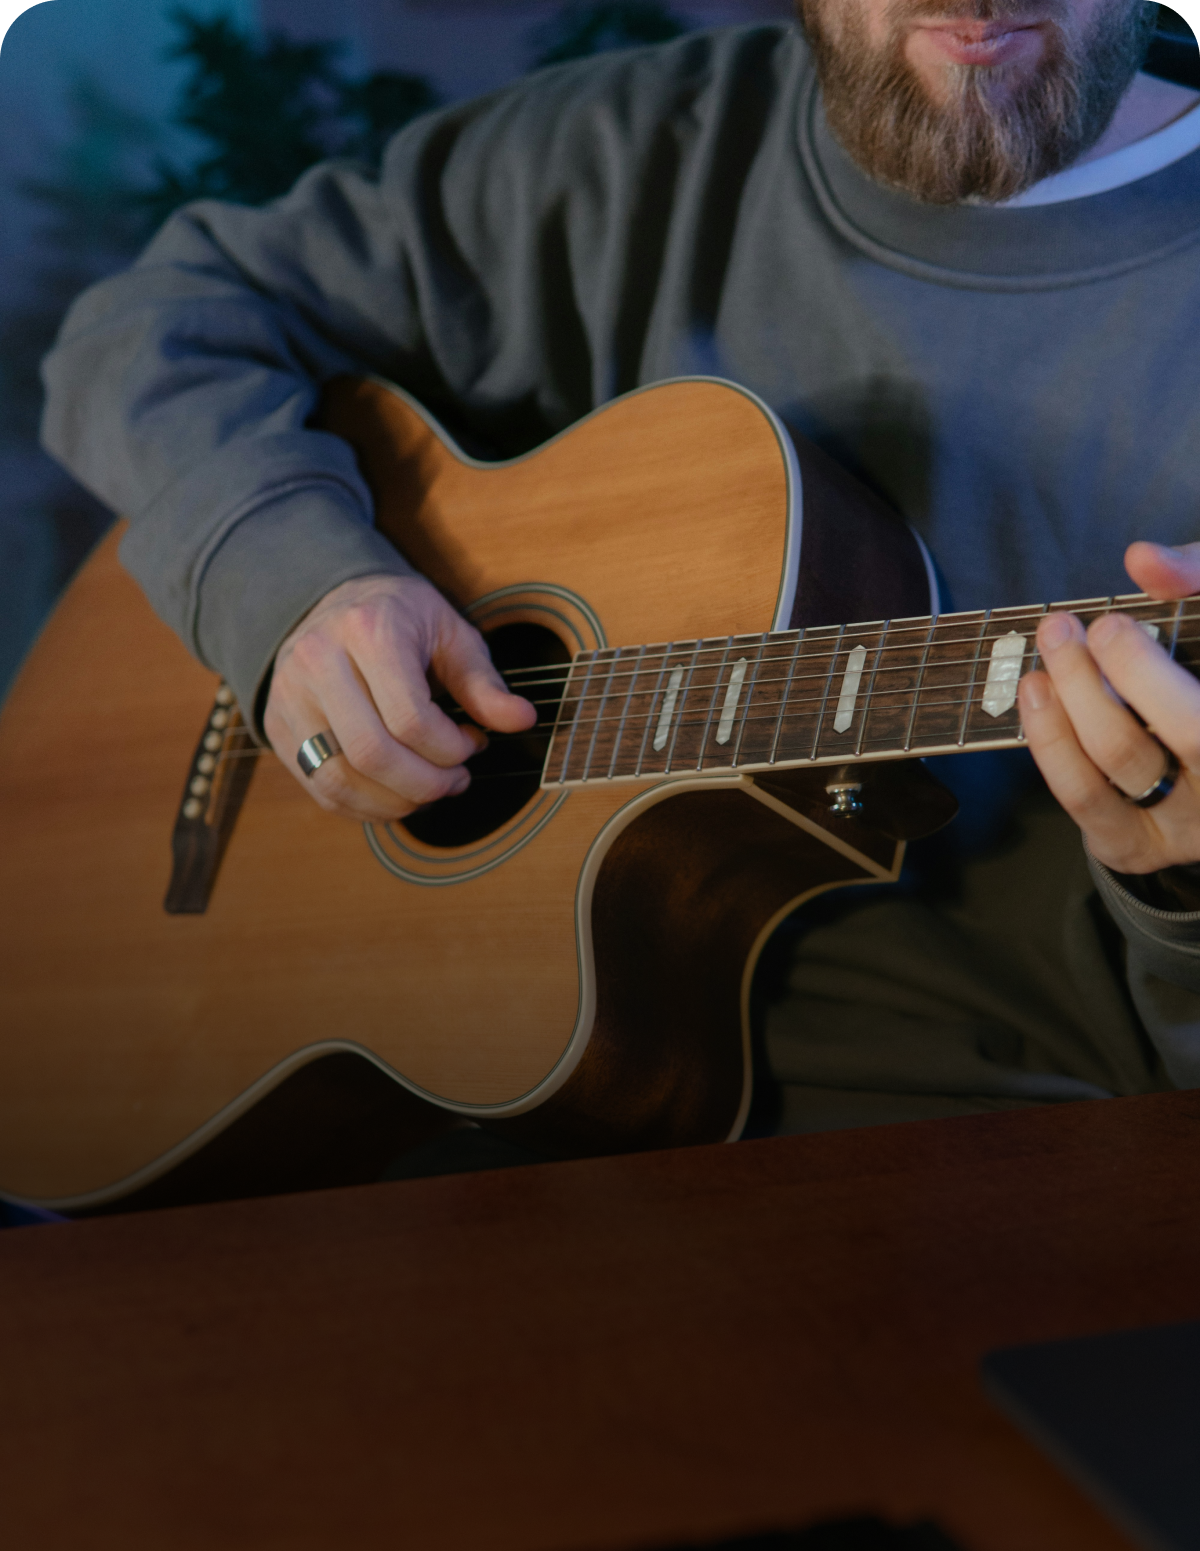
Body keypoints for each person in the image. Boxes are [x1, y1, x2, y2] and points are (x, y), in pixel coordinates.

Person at [40, 1, 1200, 1139]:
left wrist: (1184, 887)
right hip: (422, 1137)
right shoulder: (639, 148)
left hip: (978, 1177)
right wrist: (291, 583)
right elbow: (148, 327)